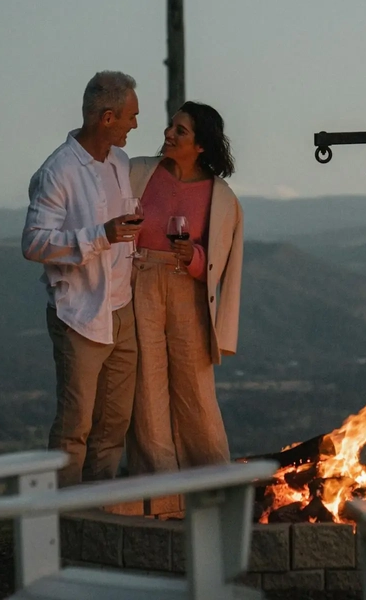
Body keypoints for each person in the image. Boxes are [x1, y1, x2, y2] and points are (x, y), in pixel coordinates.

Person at [22, 71, 142, 486]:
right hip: (79, 316)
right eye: (131, 116)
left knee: (113, 427)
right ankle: (64, 523)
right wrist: (100, 236)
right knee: (75, 429)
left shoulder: (121, 163)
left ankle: (99, 512)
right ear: (107, 117)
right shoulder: (57, 172)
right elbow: (34, 243)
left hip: (122, 313)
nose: (135, 125)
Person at [125, 101, 244, 474]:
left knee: (195, 385)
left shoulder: (220, 196)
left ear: (201, 144)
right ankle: (159, 486)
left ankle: (213, 480)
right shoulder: (139, 171)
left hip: (188, 290)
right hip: (140, 281)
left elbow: (219, 260)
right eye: (170, 127)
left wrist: (192, 256)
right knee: (146, 385)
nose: (168, 134)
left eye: (181, 130)